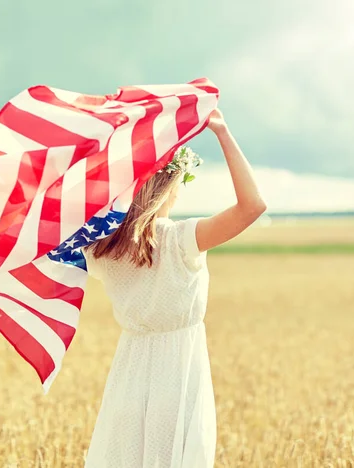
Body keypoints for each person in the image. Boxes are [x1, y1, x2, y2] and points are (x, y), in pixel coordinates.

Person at [82, 108, 267, 468]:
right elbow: (253, 206)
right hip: (179, 380)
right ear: (171, 184)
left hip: (127, 381)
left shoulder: (102, 247)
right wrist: (223, 133)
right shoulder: (182, 240)